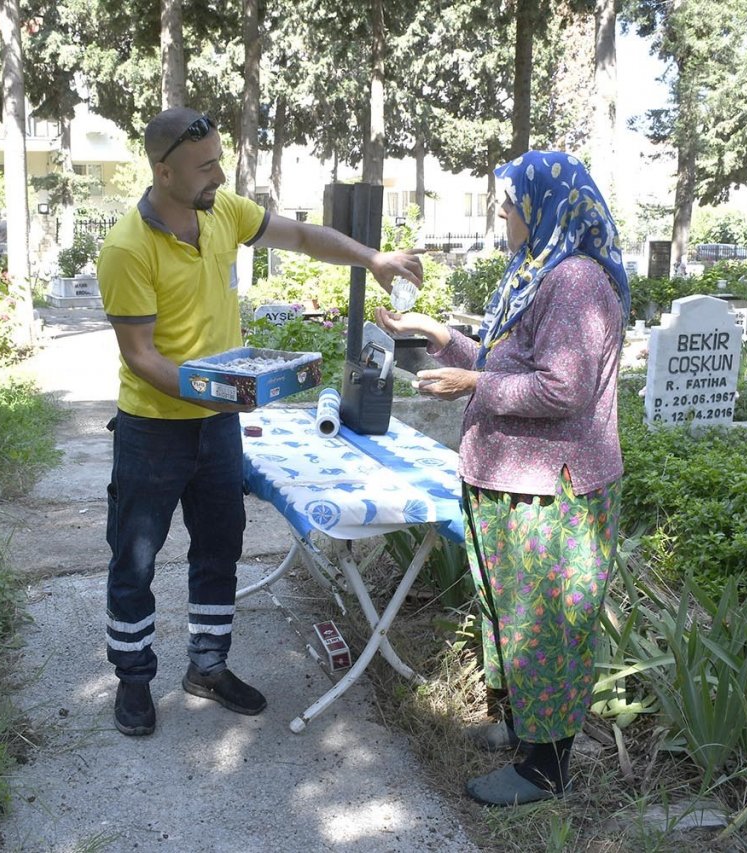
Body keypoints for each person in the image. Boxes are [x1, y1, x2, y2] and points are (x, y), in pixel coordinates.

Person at [98, 107, 424, 737]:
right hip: (154, 431)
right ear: (163, 173)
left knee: (220, 548)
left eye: (220, 160)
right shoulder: (126, 248)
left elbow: (300, 237)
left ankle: (208, 667)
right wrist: (218, 392)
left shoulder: (222, 211)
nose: (219, 174)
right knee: (133, 559)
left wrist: (373, 258)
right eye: (204, 167)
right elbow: (140, 358)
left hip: (217, 427)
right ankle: (133, 679)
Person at [375, 150, 629, 806]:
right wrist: (438, 336)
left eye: (510, 202)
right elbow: (503, 360)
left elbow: (562, 387)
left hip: (553, 491)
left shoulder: (573, 280)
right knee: (509, 614)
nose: (501, 211)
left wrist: (472, 382)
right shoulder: (535, 268)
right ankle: (523, 727)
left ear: (545, 207)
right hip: (511, 481)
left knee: (544, 625)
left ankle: (546, 768)